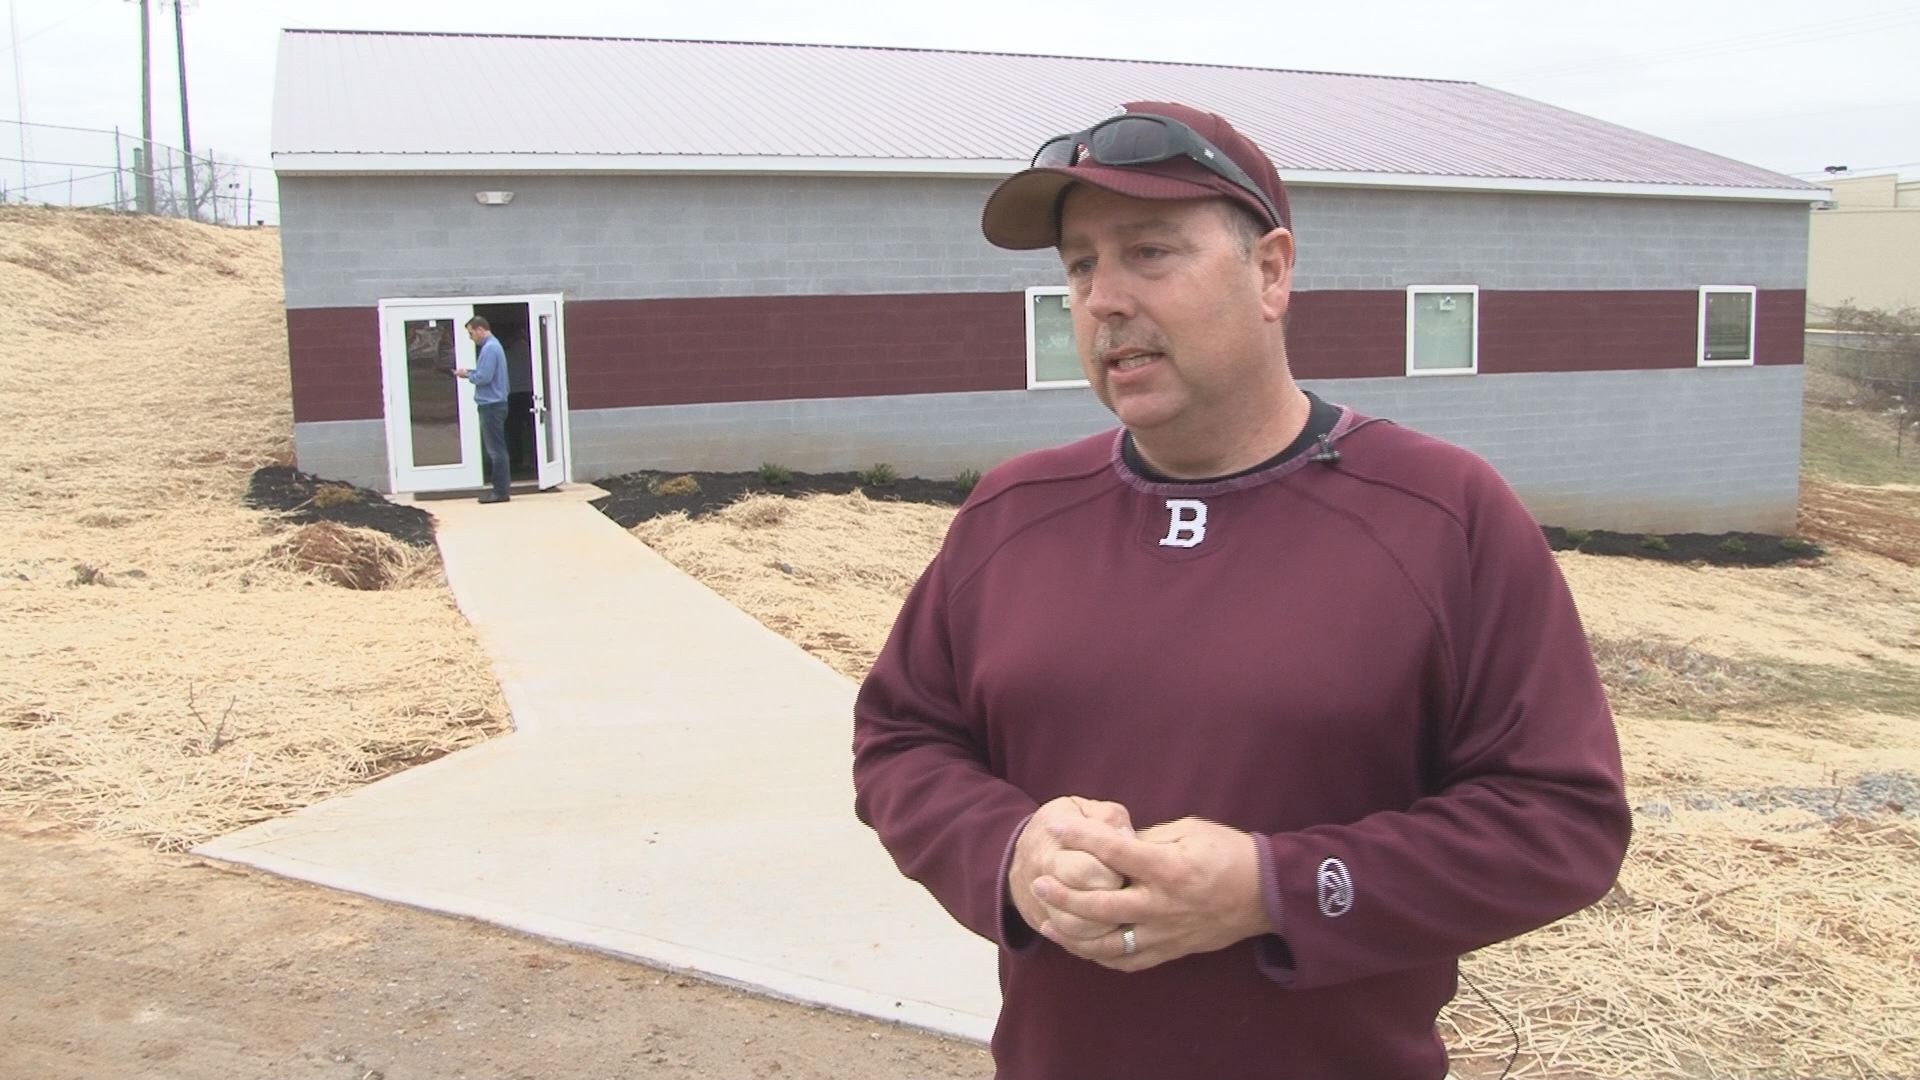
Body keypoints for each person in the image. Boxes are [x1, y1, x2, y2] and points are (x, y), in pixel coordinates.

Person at [851, 101, 1631, 1080]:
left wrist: (1278, 890)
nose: (1102, 300)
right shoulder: (1012, 515)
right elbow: (902, 741)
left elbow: (1561, 823)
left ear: (1270, 272)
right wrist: (1009, 851)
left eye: (1149, 252)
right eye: (1081, 265)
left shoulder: (1442, 515)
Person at [455, 315, 511, 503]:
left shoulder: (489, 348)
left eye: (471, 333)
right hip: (496, 404)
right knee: (497, 449)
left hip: (491, 406)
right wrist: (473, 373)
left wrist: (467, 374)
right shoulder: (495, 347)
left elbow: (484, 377)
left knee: (496, 450)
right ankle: (500, 490)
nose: (471, 338)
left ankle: (500, 491)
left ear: (480, 329)